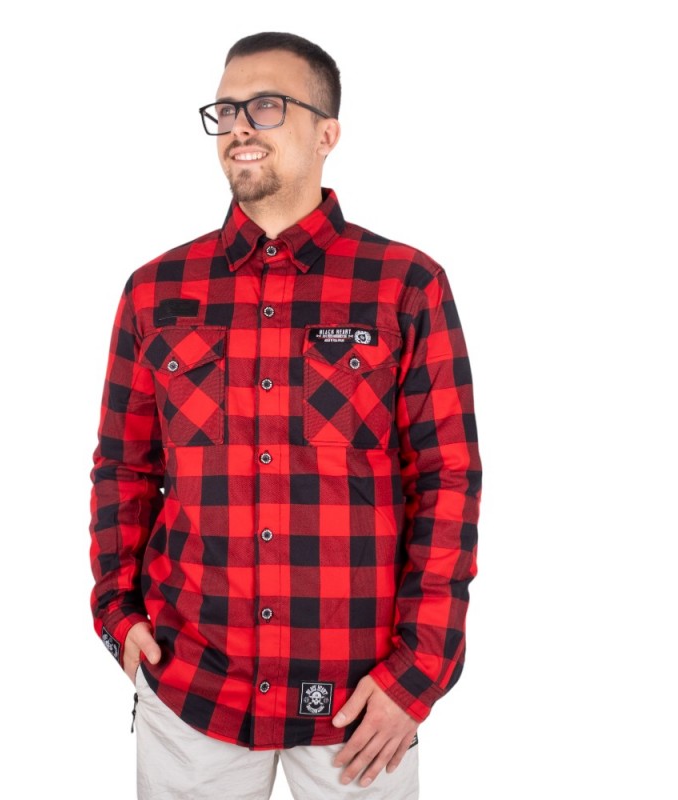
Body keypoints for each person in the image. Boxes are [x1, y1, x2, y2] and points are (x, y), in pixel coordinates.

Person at [89, 31, 481, 799]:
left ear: (327, 134)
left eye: (266, 106)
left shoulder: (405, 284)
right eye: (227, 109)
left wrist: (419, 672)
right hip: (190, 688)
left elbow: (448, 480)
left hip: (361, 701)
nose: (240, 125)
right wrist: (117, 612)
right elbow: (124, 469)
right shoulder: (155, 290)